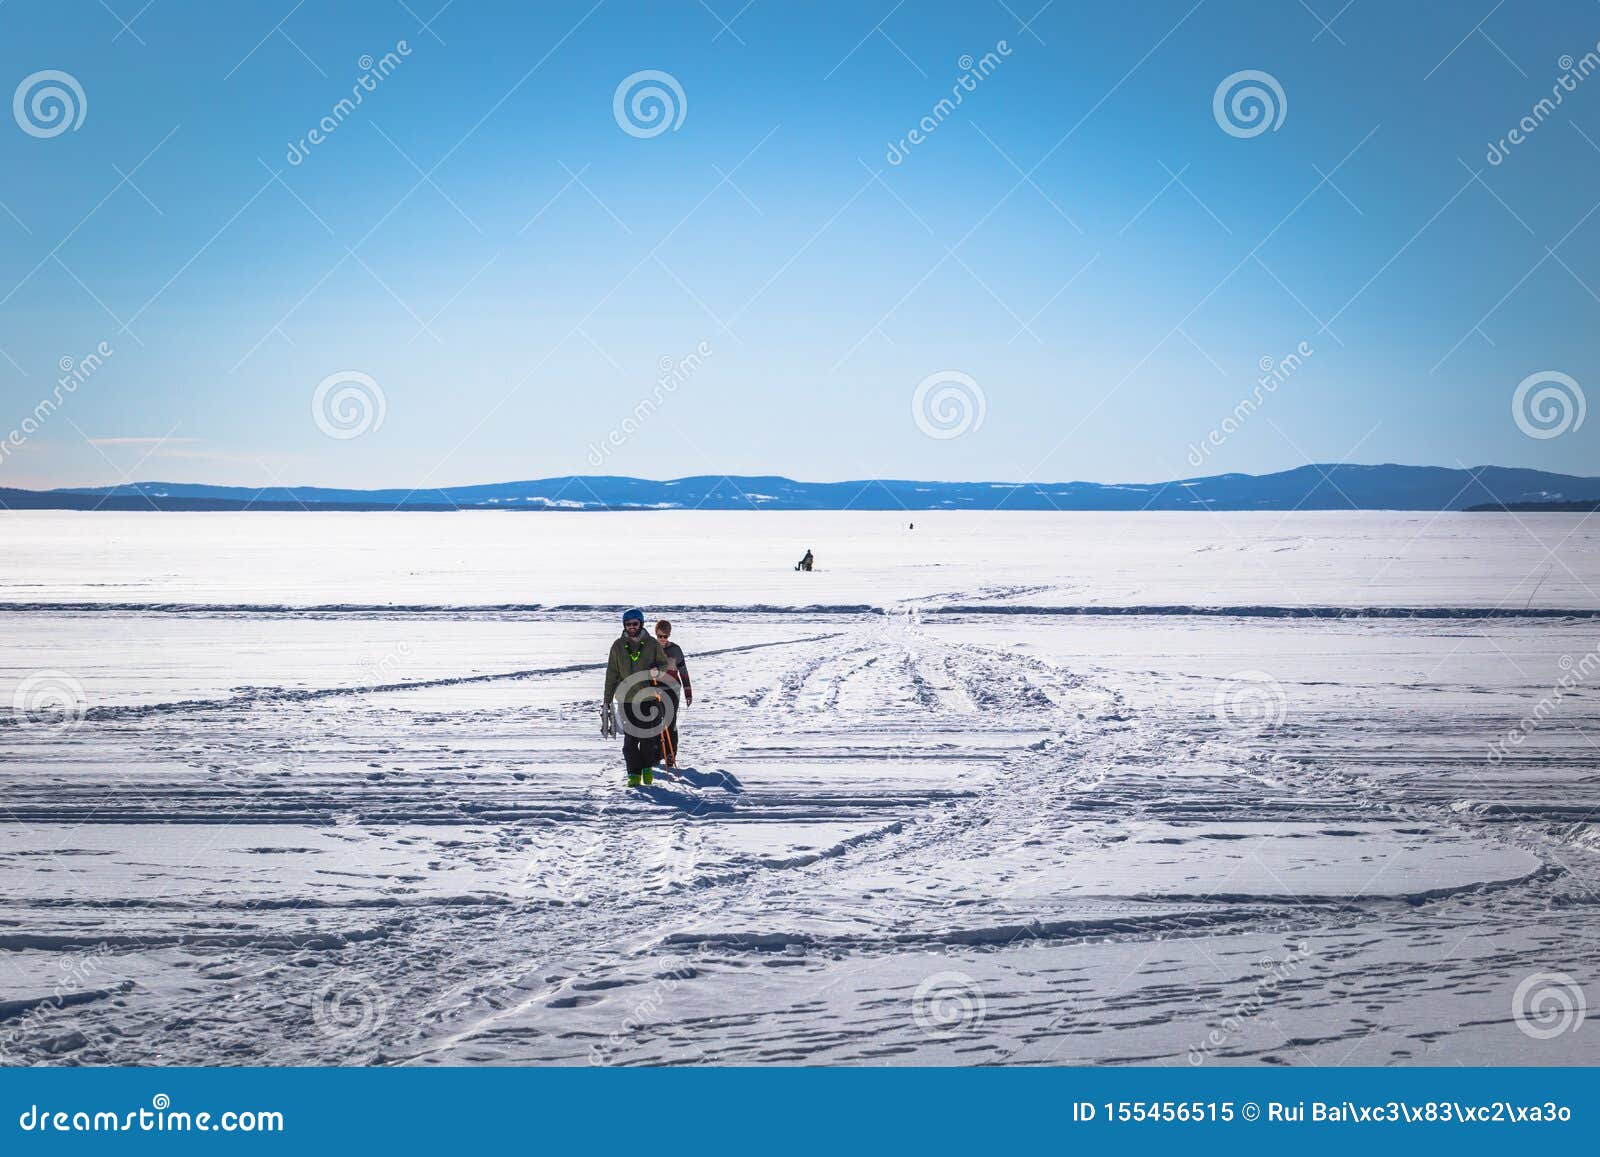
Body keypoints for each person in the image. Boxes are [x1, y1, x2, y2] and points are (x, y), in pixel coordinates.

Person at [603, 608, 672, 787]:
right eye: (628, 624)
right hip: (626, 699)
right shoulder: (617, 646)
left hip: (648, 698)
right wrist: (607, 700)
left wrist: (658, 671)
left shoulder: (652, 644)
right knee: (630, 741)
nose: (631, 627)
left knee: (648, 739)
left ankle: (647, 768)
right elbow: (611, 674)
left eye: (635, 624)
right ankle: (633, 774)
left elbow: (664, 664)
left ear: (641, 623)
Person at [654, 620, 693, 767]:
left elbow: (683, 672)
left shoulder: (676, 650)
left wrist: (688, 692)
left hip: (672, 689)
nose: (662, 639)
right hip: (655, 689)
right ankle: (656, 753)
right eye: (660, 636)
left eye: (665, 636)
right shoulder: (651, 648)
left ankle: (671, 754)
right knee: (655, 722)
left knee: (670, 722)